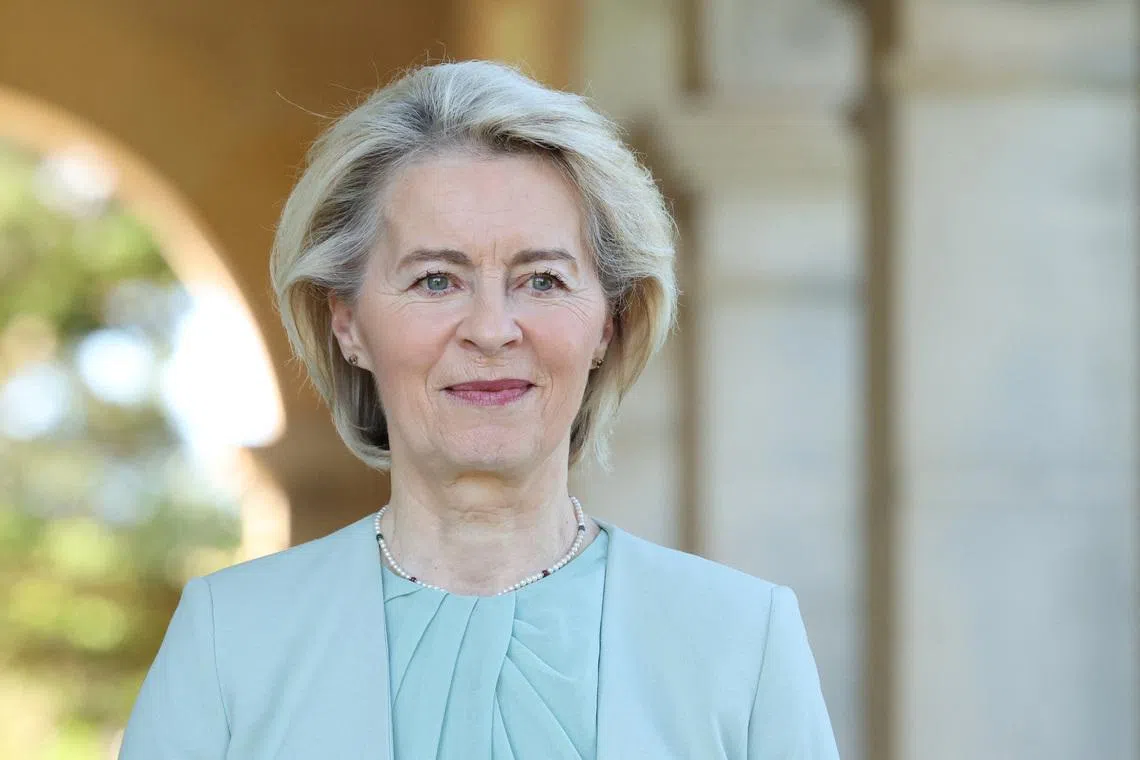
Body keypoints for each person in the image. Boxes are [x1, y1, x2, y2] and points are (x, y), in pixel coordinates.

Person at [118, 60, 840, 759]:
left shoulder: (743, 639)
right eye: (436, 280)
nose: (492, 329)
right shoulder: (229, 639)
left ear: (609, 323)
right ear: (347, 323)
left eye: (543, 280)